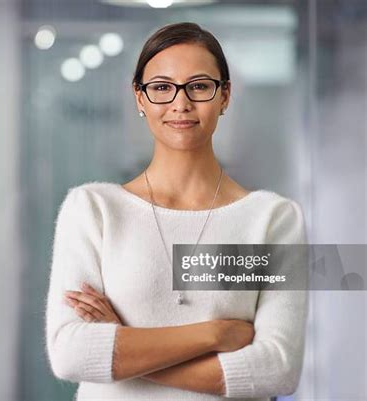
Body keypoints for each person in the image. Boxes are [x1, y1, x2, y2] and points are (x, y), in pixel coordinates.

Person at [45, 22, 308, 400]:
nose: (180, 103)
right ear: (139, 98)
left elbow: (278, 370)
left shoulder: (274, 219)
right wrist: (214, 334)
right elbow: (70, 354)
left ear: (225, 96)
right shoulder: (93, 209)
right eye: (161, 88)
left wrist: (123, 346)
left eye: (199, 86)